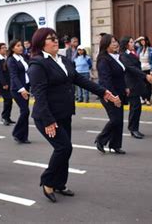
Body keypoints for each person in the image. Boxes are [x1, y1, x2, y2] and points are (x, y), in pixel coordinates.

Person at [28, 27, 119, 203]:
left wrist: (104, 92)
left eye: (56, 37)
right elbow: (39, 94)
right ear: (40, 43)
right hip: (47, 116)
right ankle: (47, 181)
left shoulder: (63, 60)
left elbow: (80, 80)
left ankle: (60, 184)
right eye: (50, 38)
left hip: (64, 113)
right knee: (64, 148)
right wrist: (48, 121)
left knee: (64, 149)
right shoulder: (37, 64)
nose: (55, 41)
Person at [95, 34, 127, 154]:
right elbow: (106, 81)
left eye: (116, 41)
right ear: (106, 45)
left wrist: (126, 87)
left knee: (119, 120)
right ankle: (101, 139)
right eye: (112, 42)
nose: (115, 44)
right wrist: (113, 97)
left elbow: (121, 74)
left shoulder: (115, 57)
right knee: (115, 120)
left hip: (120, 93)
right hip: (109, 95)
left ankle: (115, 145)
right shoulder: (103, 59)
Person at [120, 36, 152, 139]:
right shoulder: (123, 55)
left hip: (136, 83)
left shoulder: (133, 53)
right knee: (135, 107)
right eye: (131, 42)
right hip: (130, 84)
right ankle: (133, 129)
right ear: (126, 44)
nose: (133, 44)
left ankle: (135, 128)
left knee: (137, 107)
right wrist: (145, 76)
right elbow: (131, 68)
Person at [7, 39, 31, 144]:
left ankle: (23, 137)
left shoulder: (23, 58)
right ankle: (17, 132)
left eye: (21, 45)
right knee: (25, 111)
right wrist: (22, 89)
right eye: (17, 46)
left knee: (25, 112)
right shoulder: (11, 60)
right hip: (17, 89)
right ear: (12, 48)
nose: (20, 47)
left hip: (26, 87)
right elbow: (14, 76)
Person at [0, 42, 14, 126]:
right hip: (2, 84)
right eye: (3, 48)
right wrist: (4, 83)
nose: (5, 49)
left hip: (8, 83)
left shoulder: (6, 58)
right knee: (8, 100)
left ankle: (7, 117)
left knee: (9, 100)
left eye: (5, 47)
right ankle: (4, 117)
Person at [135, 36, 152, 106]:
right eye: (141, 41)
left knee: (148, 85)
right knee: (141, 85)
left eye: (144, 40)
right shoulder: (139, 49)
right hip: (140, 70)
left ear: (147, 41)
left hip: (148, 69)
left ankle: (148, 99)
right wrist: (139, 38)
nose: (142, 42)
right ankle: (143, 98)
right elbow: (134, 43)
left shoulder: (151, 50)